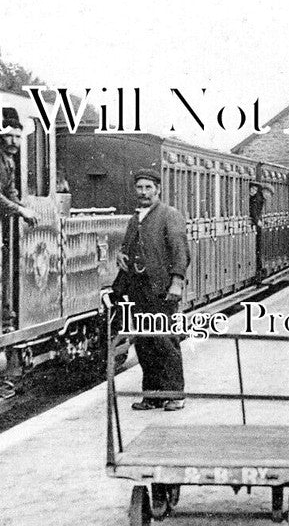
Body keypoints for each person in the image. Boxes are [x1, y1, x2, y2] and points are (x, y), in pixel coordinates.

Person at [111, 169, 190, 411]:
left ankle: (175, 394)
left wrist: (177, 282)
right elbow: (127, 249)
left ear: (157, 189)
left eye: (148, 187)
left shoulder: (170, 215)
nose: (143, 192)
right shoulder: (135, 219)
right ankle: (152, 395)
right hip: (138, 289)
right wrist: (121, 256)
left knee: (164, 340)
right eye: (139, 188)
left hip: (161, 290)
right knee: (144, 343)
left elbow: (180, 252)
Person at [0, 110, 37, 332]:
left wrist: (22, 207)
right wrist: (19, 210)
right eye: (10, 136)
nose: (14, 141)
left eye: (18, 137)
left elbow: (9, 190)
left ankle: (7, 314)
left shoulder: (9, 160)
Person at [249, 182, 266, 278]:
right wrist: (257, 221)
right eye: (252, 189)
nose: (253, 191)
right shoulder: (254, 199)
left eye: (255, 190)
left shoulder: (256, 199)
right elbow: (253, 212)